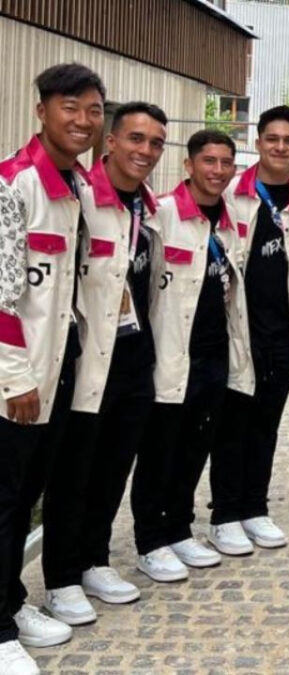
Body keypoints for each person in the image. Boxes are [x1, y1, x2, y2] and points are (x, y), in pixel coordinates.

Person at [41, 102, 166, 626]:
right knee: (75, 471)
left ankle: (94, 559)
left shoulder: (151, 209)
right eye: (136, 139)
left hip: (136, 358)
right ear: (110, 142)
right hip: (89, 358)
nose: (145, 151)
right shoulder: (83, 200)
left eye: (156, 143)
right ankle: (60, 578)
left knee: (115, 465)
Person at [0, 63, 105, 674]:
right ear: (41, 111)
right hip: (19, 377)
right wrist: (15, 378)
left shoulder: (78, 189)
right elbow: (1, 296)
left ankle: (10, 603)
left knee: (28, 492)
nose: (83, 121)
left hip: (58, 367)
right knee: (5, 498)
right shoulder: (15, 187)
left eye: (93, 111)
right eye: (71, 107)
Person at [128, 130, 252, 582]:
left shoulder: (232, 219)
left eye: (226, 163)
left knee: (196, 445)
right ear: (189, 165)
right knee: (160, 449)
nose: (217, 171)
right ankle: (150, 539)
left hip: (214, 353)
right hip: (169, 354)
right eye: (209, 161)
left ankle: (178, 528)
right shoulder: (161, 215)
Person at [210, 105, 289, 555]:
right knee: (232, 426)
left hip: (285, 333)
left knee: (266, 425)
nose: (280, 147)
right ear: (257, 142)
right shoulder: (231, 194)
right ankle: (225, 515)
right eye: (272, 139)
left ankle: (255, 508)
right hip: (239, 331)